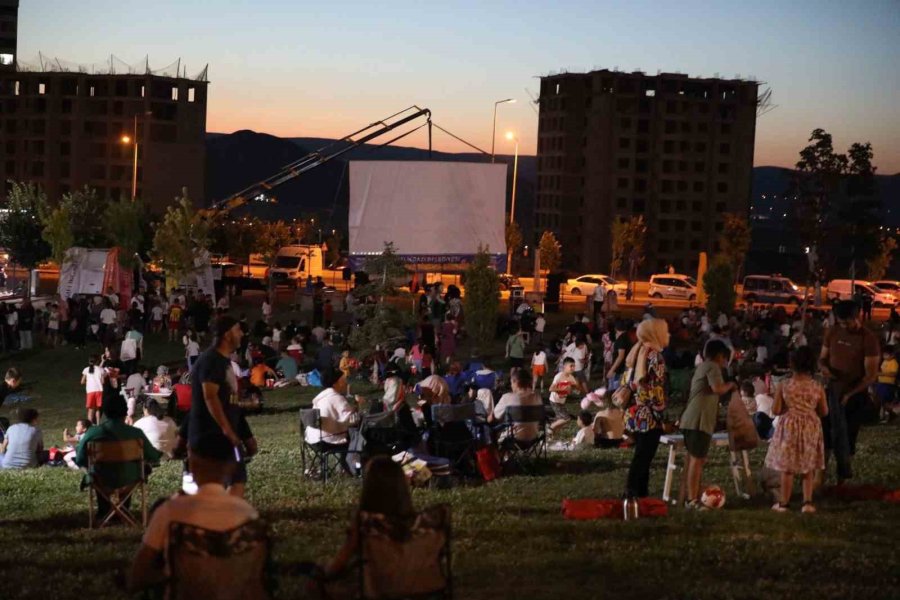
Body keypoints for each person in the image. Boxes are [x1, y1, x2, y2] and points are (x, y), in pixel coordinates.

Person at [128, 451, 259, 593]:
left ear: (192, 468)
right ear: (231, 469)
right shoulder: (249, 515)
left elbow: (138, 576)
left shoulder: (170, 511)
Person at [188, 316, 255, 493]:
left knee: (237, 482)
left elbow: (226, 400)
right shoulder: (212, 360)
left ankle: (222, 510)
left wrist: (245, 433)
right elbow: (209, 397)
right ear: (227, 334)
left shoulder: (224, 361)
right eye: (238, 330)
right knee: (219, 487)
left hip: (225, 436)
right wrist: (227, 430)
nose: (242, 334)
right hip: (211, 436)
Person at [818, 301, 879, 483]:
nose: (844, 326)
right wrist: (824, 368)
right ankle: (819, 480)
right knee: (825, 436)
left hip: (854, 396)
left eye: (847, 322)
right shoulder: (833, 332)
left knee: (847, 437)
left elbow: (871, 375)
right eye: (840, 322)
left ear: (857, 316)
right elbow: (822, 358)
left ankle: (841, 480)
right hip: (832, 392)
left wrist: (850, 394)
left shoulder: (868, 339)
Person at [75, 395, 162, 518]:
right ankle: (123, 509)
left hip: (101, 479)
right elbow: (153, 456)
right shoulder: (135, 433)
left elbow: (79, 459)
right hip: (129, 479)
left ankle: (104, 511)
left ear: (105, 412)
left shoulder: (93, 432)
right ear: (125, 411)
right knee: (137, 469)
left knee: (98, 472)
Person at [766, 347, 828, 513]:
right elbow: (824, 411)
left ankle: (784, 503)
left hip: (789, 428)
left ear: (792, 364)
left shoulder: (784, 385)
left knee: (787, 468)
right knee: (808, 467)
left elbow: (776, 410)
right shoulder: (817, 386)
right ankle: (807, 502)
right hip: (810, 427)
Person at [680, 340, 736, 510]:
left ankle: (690, 496)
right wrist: (731, 385)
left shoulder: (702, 366)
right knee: (696, 461)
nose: (725, 363)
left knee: (694, 460)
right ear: (720, 356)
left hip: (691, 419)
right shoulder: (712, 366)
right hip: (699, 421)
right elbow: (717, 388)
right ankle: (692, 500)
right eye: (725, 359)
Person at [623, 318, 670, 499]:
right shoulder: (655, 357)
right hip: (649, 415)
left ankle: (641, 494)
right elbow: (655, 389)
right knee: (643, 457)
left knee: (641, 455)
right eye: (665, 331)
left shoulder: (637, 352)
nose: (668, 335)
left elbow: (628, 382)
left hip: (635, 412)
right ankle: (632, 493)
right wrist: (660, 415)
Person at [492, 368, 543, 445]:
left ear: (516, 382)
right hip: (533, 438)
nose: (511, 386)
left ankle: (496, 452)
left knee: (491, 430)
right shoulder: (537, 397)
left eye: (511, 383)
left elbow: (495, 417)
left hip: (513, 439)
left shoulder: (507, 397)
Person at [549, 357, 586, 437]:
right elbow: (551, 388)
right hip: (554, 401)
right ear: (564, 366)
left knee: (560, 420)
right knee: (566, 418)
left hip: (561, 401)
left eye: (574, 366)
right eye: (571, 366)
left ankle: (552, 434)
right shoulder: (559, 376)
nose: (573, 368)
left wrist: (576, 385)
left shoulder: (571, 377)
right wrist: (563, 389)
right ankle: (551, 428)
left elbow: (578, 389)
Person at [606, 320, 633, 392]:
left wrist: (612, 370)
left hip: (620, 370)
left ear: (616, 329)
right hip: (628, 368)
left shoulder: (621, 339)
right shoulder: (628, 337)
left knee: (617, 390)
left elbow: (621, 356)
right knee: (624, 389)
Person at [82, 355, 105, 425]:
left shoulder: (86, 369)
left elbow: (82, 381)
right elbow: (103, 382)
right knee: (98, 408)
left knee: (90, 410)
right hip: (99, 390)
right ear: (97, 361)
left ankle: (89, 425)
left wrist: (88, 382)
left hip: (90, 391)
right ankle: (98, 424)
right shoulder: (101, 369)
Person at [875, 345, 897, 417]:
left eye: (886, 355)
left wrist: (881, 374)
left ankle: (889, 414)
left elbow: (893, 374)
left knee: (885, 400)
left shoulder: (893, 362)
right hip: (881, 383)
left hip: (888, 384)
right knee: (880, 399)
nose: (884, 356)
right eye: (883, 354)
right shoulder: (884, 361)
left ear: (892, 355)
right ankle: (883, 414)